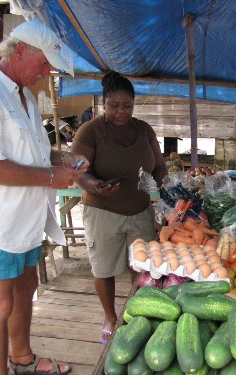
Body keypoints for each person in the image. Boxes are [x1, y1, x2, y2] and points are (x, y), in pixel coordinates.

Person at [0, 20, 89, 375]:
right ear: (20, 50)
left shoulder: (22, 96)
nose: (46, 72)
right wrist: (50, 176)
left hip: (24, 220)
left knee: (27, 287)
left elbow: (31, 153)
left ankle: (22, 357)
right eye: (43, 64)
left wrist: (61, 159)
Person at [70, 71, 167, 344]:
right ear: (104, 104)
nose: (121, 111)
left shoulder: (144, 130)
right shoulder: (91, 131)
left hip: (140, 210)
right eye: (114, 105)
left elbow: (158, 166)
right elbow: (77, 170)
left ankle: (136, 312)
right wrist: (95, 185)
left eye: (127, 105)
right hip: (102, 211)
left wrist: (160, 186)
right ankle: (110, 316)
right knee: (104, 268)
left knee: (144, 267)